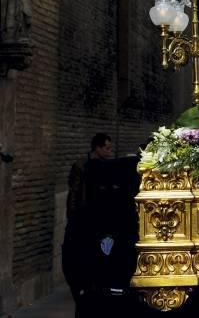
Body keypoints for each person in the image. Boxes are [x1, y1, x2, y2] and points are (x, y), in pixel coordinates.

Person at [63, 133, 114, 317]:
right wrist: (73, 218)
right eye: (107, 148)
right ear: (97, 148)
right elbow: (74, 193)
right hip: (83, 217)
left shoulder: (106, 165)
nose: (110, 151)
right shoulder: (81, 165)